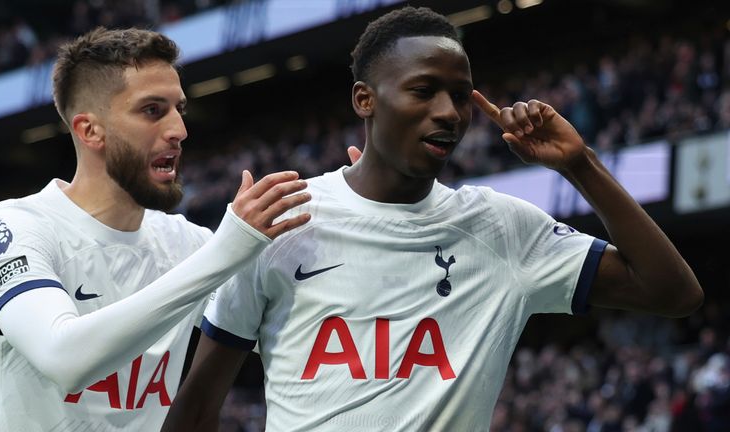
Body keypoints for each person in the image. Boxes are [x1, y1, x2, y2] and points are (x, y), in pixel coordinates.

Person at [162, 6, 704, 432]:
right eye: (423, 91)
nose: (448, 112)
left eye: (460, 96)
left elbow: (672, 293)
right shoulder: (281, 222)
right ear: (364, 100)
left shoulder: (501, 229)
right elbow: (196, 409)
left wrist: (579, 165)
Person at [0, 27, 313, 431]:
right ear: (89, 130)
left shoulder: (186, 244)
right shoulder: (11, 229)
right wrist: (223, 252)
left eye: (179, 108)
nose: (179, 130)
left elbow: (305, 335)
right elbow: (64, 357)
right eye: (152, 110)